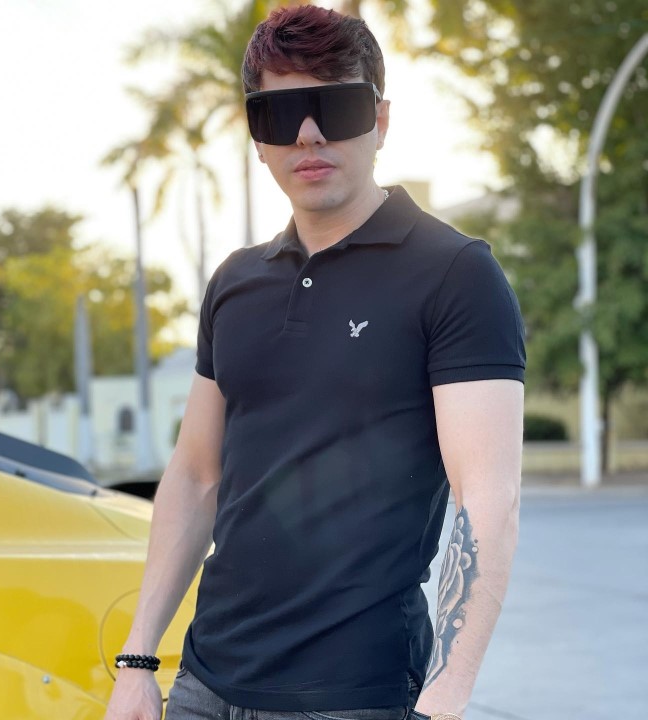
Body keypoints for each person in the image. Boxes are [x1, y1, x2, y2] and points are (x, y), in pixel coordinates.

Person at [104, 5, 525, 720]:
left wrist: (445, 697)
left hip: (351, 694)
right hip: (206, 683)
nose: (308, 134)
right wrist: (139, 659)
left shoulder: (455, 273)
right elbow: (197, 475)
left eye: (336, 106)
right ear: (257, 137)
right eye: (280, 114)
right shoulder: (235, 282)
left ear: (380, 121)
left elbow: (487, 496)